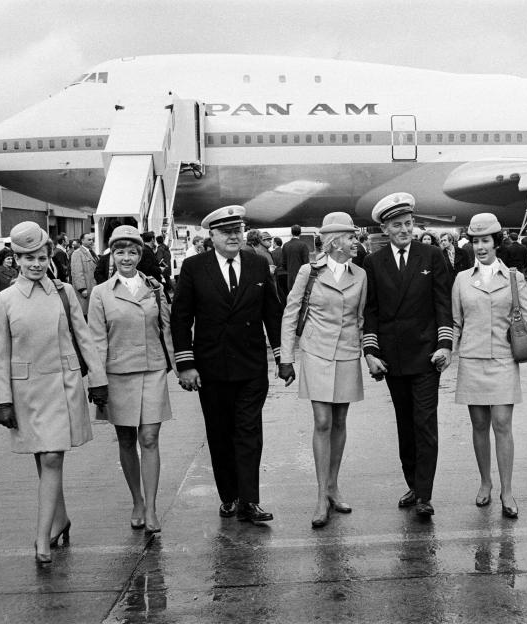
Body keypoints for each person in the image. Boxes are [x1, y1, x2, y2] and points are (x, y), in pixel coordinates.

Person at [0, 222, 108, 565]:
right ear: (16, 260)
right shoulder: (4, 301)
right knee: (42, 458)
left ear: (48, 257)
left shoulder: (64, 292)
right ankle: (60, 519)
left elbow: (83, 335)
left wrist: (97, 378)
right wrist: (2, 400)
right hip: (26, 391)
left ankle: (42, 538)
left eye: (41, 257)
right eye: (28, 258)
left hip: (63, 384)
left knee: (52, 457)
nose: (36, 264)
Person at [170, 205, 283, 526]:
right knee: (220, 433)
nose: (234, 236)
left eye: (238, 230)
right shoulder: (194, 267)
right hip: (211, 368)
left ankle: (250, 500)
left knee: (249, 431)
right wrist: (185, 363)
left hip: (250, 367)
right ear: (212, 236)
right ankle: (229, 496)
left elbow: (271, 314)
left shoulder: (258, 265)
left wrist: (281, 356)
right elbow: (181, 318)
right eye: (226, 232)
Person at [451, 213, 527, 519]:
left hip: (504, 360)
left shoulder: (514, 278)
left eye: (486, 241)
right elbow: (456, 323)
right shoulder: (461, 280)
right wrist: (444, 353)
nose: (481, 247)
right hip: (471, 360)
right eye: (476, 241)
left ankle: (507, 490)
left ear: (496, 243)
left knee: (502, 424)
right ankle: (485, 483)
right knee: (479, 425)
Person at [362, 192, 453, 518]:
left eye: (408, 223)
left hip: (427, 355)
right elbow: (370, 311)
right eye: (397, 225)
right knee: (405, 425)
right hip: (394, 357)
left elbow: (443, 303)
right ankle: (413, 484)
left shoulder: (431, 255)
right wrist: (370, 351)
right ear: (385, 229)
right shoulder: (373, 262)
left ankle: (425, 495)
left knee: (425, 424)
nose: (404, 229)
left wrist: (445, 344)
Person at [278, 212, 366, 528]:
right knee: (322, 419)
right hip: (315, 352)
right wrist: (285, 357)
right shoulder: (309, 272)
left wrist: (367, 352)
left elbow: (361, 318)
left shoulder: (360, 275)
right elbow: (291, 313)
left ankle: (333, 485)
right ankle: (319, 495)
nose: (356, 241)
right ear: (334, 242)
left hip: (346, 353)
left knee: (340, 419)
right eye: (351, 237)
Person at [88, 226, 174, 535]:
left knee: (149, 437)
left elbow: (166, 328)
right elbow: (96, 340)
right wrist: (96, 380)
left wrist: (179, 365)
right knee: (126, 439)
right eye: (121, 251)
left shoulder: (154, 287)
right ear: (113, 255)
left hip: (152, 370)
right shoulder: (100, 293)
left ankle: (151, 507)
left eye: (133, 252)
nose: (127, 257)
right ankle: (136, 500)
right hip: (117, 373)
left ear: (140, 255)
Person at [70, 231, 98, 315]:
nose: (91, 241)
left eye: (92, 239)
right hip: (86, 290)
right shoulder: (77, 253)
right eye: (89, 239)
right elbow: (77, 272)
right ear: (82, 241)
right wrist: (82, 289)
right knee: (85, 313)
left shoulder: (92, 252)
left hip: (93, 287)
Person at [280, 224, 310, 292]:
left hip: (290, 277)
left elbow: (283, 263)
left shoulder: (285, 245)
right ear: (300, 233)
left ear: (291, 233)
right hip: (301, 277)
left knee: (291, 295)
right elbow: (306, 263)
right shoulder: (303, 245)